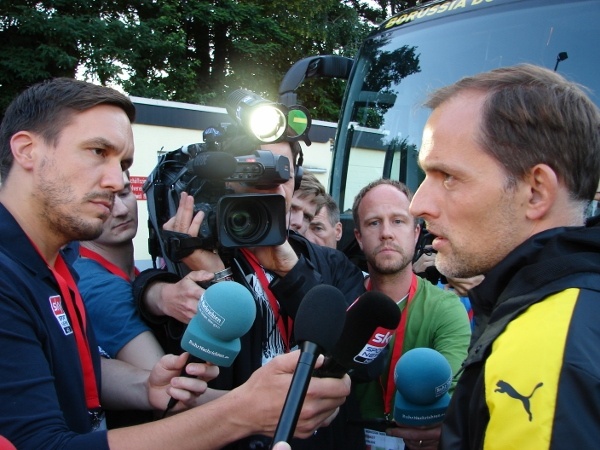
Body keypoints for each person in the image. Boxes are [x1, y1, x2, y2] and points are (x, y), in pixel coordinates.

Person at [0, 77, 351, 449]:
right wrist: (240, 411)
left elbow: (67, 376)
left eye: (124, 163)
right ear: (26, 150)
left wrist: (147, 386)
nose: (115, 179)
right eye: (97, 151)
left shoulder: (60, 262)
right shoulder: (10, 277)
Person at [408, 64, 600, 449]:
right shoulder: (572, 307)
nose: (418, 204)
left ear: (535, 191)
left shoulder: (546, 349)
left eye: (448, 176)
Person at [136, 133, 367, 449]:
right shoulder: (194, 255)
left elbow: (360, 357)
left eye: (281, 170)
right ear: (228, 180)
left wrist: (292, 272)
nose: (269, 182)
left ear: (295, 180)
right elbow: (147, 302)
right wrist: (162, 292)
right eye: (254, 167)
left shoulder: (332, 262)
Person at [351, 178, 472, 450]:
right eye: (373, 222)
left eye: (398, 221)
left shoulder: (445, 309)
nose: (386, 233)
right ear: (358, 237)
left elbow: (454, 391)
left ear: (416, 233)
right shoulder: (344, 302)